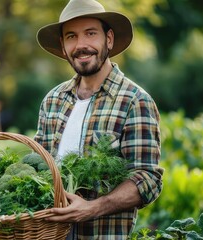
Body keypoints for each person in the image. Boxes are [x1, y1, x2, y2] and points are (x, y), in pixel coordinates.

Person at [34, 0, 164, 239]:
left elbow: (148, 179)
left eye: (90, 34)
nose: (81, 45)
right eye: (71, 36)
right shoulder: (52, 101)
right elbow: (38, 166)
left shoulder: (134, 101)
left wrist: (90, 209)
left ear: (109, 39)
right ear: (63, 46)